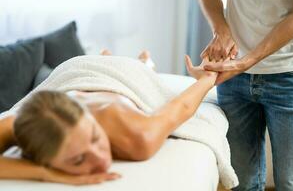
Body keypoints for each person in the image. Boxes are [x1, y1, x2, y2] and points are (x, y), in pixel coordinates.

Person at [0, 50, 218, 185]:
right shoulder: (23, 125)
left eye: (95, 137)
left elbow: (180, 107)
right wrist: (46, 174)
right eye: (78, 159)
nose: (100, 158)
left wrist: (207, 78)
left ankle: (143, 61)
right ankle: (108, 56)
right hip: (71, 74)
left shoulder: (137, 137)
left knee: (146, 69)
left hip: (112, 75)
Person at [198, 0, 293, 190]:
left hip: (289, 75)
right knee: (242, 183)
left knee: (290, 183)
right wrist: (221, 30)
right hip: (234, 76)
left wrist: (247, 60)